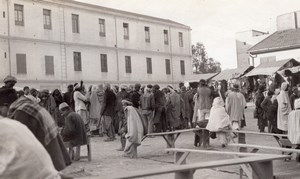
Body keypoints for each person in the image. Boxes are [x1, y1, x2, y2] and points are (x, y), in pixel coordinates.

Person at [7, 96, 71, 171]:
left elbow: (22, 141)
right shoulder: (31, 106)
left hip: (46, 158)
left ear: (5, 105)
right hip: (55, 153)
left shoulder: (21, 112)